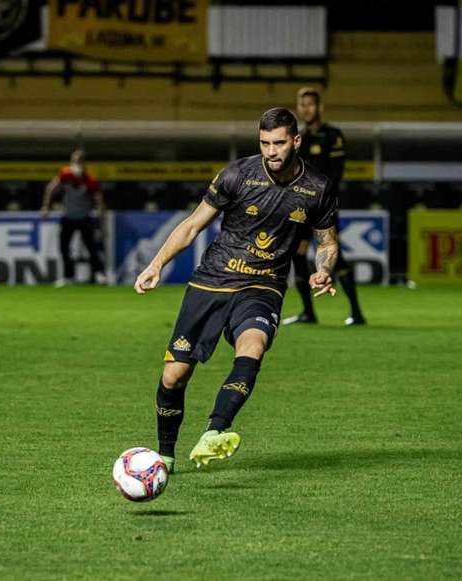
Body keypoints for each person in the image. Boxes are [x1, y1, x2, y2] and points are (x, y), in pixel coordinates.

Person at [134, 107, 339, 473]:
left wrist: (323, 270)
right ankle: (165, 454)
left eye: (278, 143)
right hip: (211, 280)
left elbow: (327, 243)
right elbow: (194, 224)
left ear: (296, 141)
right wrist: (156, 264)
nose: (271, 152)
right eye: (264, 143)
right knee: (174, 375)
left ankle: (215, 431)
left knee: (253, 347)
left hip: (264, 285)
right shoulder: (237, 175)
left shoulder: (318, 188)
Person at [283, 88, 366, 326]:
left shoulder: (333, 136)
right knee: (297, 256)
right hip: (301, 208)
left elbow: (335, 176)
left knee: (334, 258)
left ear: (320, 107)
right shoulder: (300, 138)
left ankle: (356, 313)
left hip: (323, 208)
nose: (305, 109)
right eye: (302, 105)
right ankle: (308, 312)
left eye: (310, 104)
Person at [41, 148, 106, 285]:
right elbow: (50, 189)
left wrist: (102, 224)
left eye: (79, 161)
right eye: (75, 160)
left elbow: (99, 202)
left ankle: (99, 274)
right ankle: (68, 276)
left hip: (84, 218)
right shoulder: (65, 175)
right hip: (68, 217)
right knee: (64, 248)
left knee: (91, 248)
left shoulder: (90, 180)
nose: (77, 163)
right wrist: (47, 206)